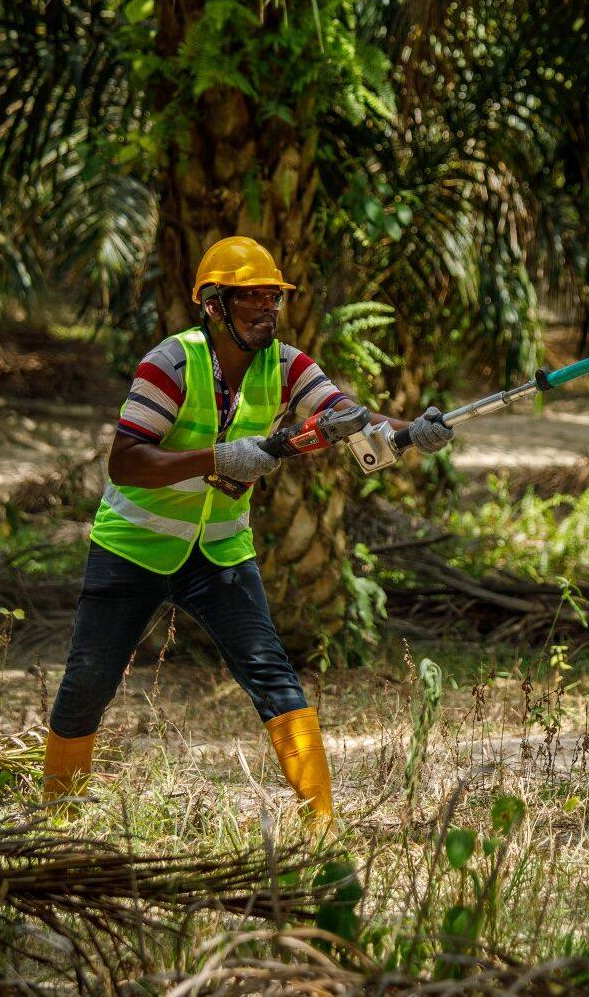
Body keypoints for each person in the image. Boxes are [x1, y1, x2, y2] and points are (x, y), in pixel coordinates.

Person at [40, 236, 453, 822]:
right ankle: (55, 816)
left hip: (220, 551)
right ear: (213, 304)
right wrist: (217, 458)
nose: (266, 310)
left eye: (273, 299)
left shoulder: (284, 364)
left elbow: (346, 417)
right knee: (88, 682)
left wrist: (411, 433)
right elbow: (125, 461)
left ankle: (322, 824)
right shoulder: (171, 363)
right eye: (251, 299)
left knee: (271, 674)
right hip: (133, 547)